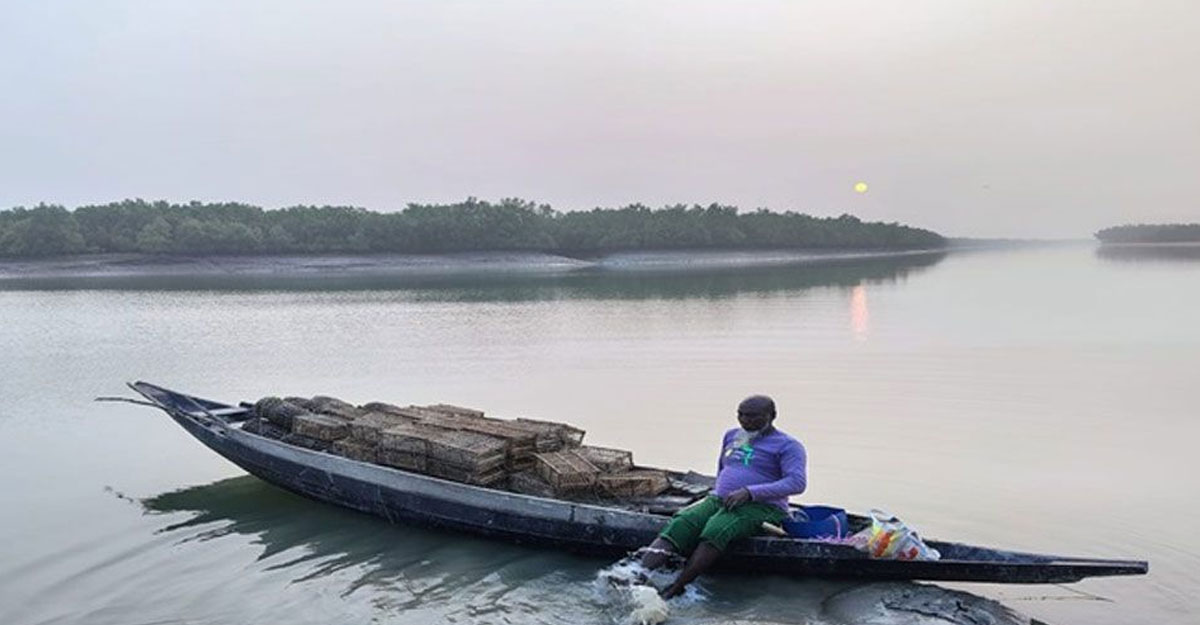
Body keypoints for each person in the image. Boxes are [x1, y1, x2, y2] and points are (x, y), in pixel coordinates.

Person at [639, 394, 807, 598]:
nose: (745, 421)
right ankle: (637, 575)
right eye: (741, 415)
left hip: (763, 507)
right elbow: (723, 468)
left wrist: (749, 492)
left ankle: (676, 587)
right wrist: (718, 492)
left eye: (753, 416)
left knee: (717, 529)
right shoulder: (732, 435)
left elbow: (797, 483)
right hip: (721, 498)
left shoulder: (788, 446)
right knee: (683, 522)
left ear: (772, 416)